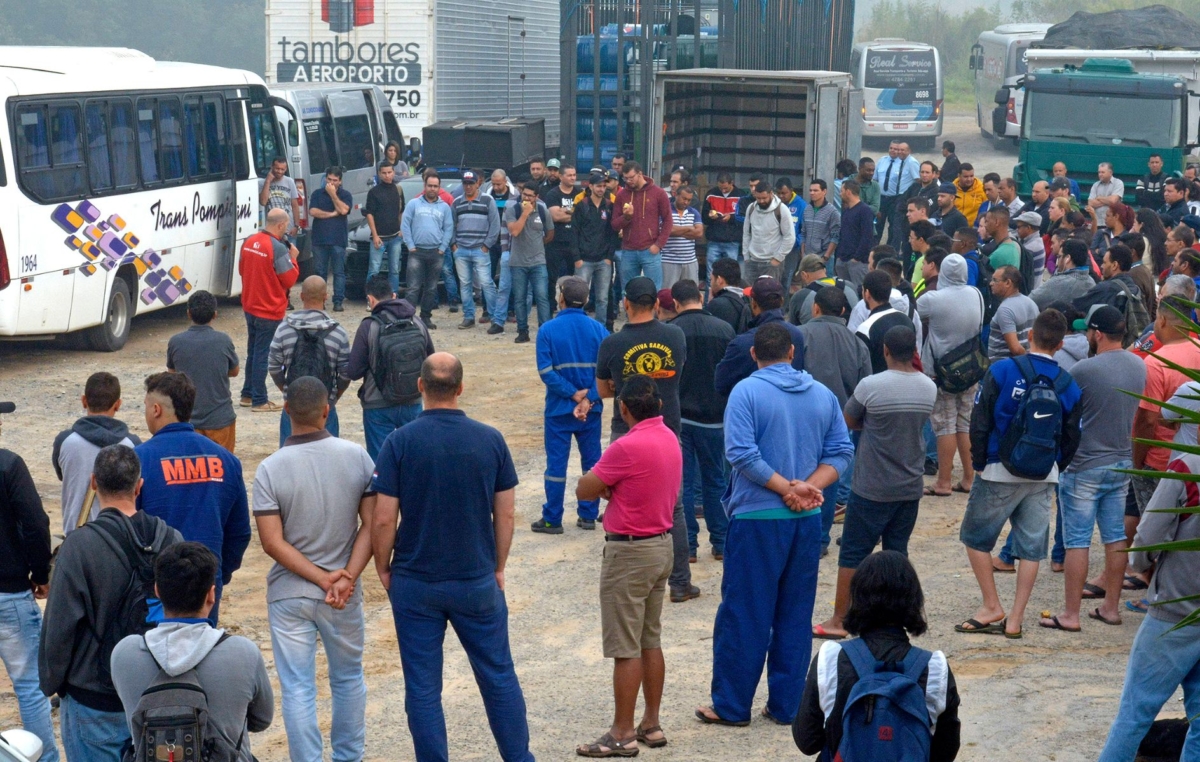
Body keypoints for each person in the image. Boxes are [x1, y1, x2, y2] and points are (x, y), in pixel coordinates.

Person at [370, 353, 534, 762]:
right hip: (475, 578)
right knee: (498, 677)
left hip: (416, 580)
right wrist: (498, 566)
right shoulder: (490, 439)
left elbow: (384, 518)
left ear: (420, 387)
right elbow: (507, 512)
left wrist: (383, 566)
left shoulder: (400, 442)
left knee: (423, 689)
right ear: (461, 388)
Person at [696, 323, 855, 727]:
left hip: (757, 519)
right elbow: (841, 451)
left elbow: (741, 454)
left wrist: (786, 488)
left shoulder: (745, 392)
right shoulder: (822, 394)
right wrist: (807, 488)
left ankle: (732, 706)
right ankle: (786, 706)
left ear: (754, 355)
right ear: (791, 353)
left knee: (745, 613)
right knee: (795, 613)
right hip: (805, 520)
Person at [253, 376, 375, 761]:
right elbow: (372, 525)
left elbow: (273, 542)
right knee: (348, 677)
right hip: (342, 592)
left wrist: (319, 577)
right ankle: (348, 757)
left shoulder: (270, 469)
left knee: (298, 687)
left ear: (286, 411)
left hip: (291, 593)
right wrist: (345, 577)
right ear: (328, 410)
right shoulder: (357, 457)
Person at [41, 445, 182, 762]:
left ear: (93, 483)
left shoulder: (78, 547)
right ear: (139, 486)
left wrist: (54, 683)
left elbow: (59, 628)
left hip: (94, 699)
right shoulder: (171, 540)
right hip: (158, 694)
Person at [574, 375, 682, 757]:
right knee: (650, 638)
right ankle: (650, 723)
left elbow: (584, 488)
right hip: (662, 545)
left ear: (623, 409)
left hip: (630, 552)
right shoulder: (669, 436)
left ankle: (622, 732)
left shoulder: (626, 445)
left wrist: (608, 487)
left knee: (626, 646)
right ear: (660, 406)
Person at [958, 309, 1081, 639]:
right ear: (1061, 344)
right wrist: (1055, 466)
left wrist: (979, 461)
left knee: (975, 537)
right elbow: (1072, 436)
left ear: (1030, 336)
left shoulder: (1002, 370)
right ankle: (1015, 619)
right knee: (1030, 548)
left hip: (999, 468)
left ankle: (990, 604)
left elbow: (980, 420)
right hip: (1044, 474)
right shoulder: (1068, 384)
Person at [813, 326, 935, 641]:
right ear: (915, 351)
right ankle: (896, 619)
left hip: (872, 486)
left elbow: (847, 421)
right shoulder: (927, 387)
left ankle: (841, 619)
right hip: (909, 485)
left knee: (853, 553)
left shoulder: (871, 386)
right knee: (897, 552)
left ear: (884, 351)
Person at [1032, 306, 1145, 634]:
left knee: (1077, 540)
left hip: (1085, 464)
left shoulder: (1085, 370)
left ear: (1097, 333)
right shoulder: (1139, 365)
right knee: (1115, 536)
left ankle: (1071, 614)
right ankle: (1110, 607)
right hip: (1121, 460)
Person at [111, 542, 274, 762]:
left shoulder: (125, 653)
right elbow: (262, 720)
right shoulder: (243, 652)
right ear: (211, 595)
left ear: (157, 591)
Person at [795, 550, 960, 761]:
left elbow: (807, 741)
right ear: (914, 600)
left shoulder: (831, 658)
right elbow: (945, 752)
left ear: (856, 599)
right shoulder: (935, 667)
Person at [597, 277, 697, 602]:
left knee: (621, 500)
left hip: (624, 427)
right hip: (667, 428)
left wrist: (624, 384)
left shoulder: (611, 343)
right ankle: (680, 583)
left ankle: (628, 574)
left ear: (625, 303)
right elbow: (679, 375)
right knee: (676, 507)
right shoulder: (675, 334)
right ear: (656, 304)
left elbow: (602, 391)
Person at [1096, 448, 1200, 762]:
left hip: (1173, 612)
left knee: (1134, 714)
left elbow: (1148, 538)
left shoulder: (1187, 466)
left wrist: (1142, 566)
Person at [135, 372, 250, 625]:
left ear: (156, 409)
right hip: (206, 586)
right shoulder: (227, 460)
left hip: (156, 593)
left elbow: (128, 530)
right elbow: (240, 532)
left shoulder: (139, 461)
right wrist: (218, 573)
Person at [0, 403, 59, 762]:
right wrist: (41, 573)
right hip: (8, 592)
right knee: (30, 688)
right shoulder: (8, 465)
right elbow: (36, 524)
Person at [532, 277, 609, 534]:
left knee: (556, 466)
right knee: (592, 463)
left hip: (558, 410)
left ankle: (553, 519)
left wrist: (572, 395)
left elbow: (546, 371)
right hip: (591, 411)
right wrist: (588, 399)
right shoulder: (600, 330)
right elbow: (607, 373)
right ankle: (588, 515)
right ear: (587, 300)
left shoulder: (547, 330)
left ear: (561, 298)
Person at [800, 285, 872, 552]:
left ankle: (805, 534)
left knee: (801, 473)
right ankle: (820, 538)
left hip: (803, 418)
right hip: (841, 419)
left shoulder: (800, 335)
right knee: (828, 476)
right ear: (843, 311)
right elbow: (865, 386)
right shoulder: (856, 342)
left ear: (815, 308)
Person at [669, 280, 735, 561]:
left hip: (681, 418)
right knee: (716, 480)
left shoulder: (671, 332)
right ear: (700, 297)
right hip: (715, 418)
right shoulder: (724, 329)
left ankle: (689, 546)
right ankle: (720, 543)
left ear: (674, 302)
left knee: (682, 485)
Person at [343, 273, 436, 461]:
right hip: (412, 400)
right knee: (414, 458)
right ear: (394, 295)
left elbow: (353, 372)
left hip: (377, 403)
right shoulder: (417, 322)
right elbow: (431, 361)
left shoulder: (369, 326)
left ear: (370, 299)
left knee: (381, 463)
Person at [917, 253, 983, 497]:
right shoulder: (976, 294)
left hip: (942, 372)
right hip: (970, 369)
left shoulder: (932, 299)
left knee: (945, 426)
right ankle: (968, 478)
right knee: (964, 424)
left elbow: (916, 313)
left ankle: (943, 482)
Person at [1132, 297, 1200, 516]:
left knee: (1154, 530)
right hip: (1194, 462)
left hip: (1160, 462)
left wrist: (1137, 463)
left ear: (1161, 320)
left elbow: (1147, 420)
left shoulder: (1154, 363)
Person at [52, 372, 141, 533]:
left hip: (77, 536)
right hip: (120, 536)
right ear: (118, 404)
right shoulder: (132, 445)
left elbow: (62, 475)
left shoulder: (65, 441)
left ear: (84, 401)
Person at [268, 275, 351, 445]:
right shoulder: (338, 332)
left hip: (293, 407)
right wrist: (332, 398)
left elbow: (274, 366)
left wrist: (286, 391)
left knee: (289, 462)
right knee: (328, 461)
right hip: (325, 407)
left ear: (301, 296)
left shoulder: (284, 329)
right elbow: (345, 373)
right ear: (326, 296)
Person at [238, 208, 299, 412]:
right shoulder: (278, 248)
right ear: (280, 225)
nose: (287, 229)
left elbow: (242, 269)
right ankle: (259, 399)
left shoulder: (248, 241)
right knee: (262, 354)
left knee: (253, 351)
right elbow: (290, 278)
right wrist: (294, 258)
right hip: (269, 308)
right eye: (287, 225)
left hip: (250, 305)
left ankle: (247, 394)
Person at [166, 292, 239, 451]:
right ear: (215, 314)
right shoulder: (224, 340)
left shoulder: (176, 341)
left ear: (188, 313)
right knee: (222, 468)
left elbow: (172, 374)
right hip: (220, 420)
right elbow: (234, 371)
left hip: (186, 420)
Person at [714, 276, 806, 395]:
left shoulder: (742, 343)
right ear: (782, 301)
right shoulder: (797, 335)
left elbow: (721, 383)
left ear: (753, 303)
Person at [401, 172, 455, 328]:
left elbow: (448, 228)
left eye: (435, 186)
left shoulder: (444, 207)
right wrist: (410, 245)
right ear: (424, 186)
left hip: (436, 253)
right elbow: (405, 225)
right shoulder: (413, 204)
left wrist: (443, 248)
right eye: (430, 185)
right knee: (412, 288)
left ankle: (425, 317)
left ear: (439, 188)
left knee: (431, 288)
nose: (432, 189)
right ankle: (408, 318)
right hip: (416, 252)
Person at [451, 170, 502, 330]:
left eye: (471, 183)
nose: (468, 186)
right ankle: (468, 317)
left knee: (487, 283)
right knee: (465, 284)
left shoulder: (488, 200)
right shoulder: (457, 202)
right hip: (461, 249)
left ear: (477, 183)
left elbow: (495, 224)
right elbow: (450, 224)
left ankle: (495, 317)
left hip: (481, 249)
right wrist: (453, 244)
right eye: (465, 183)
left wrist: (487, 245)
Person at [612, 162, 673, 289]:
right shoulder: (621, 195)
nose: (628, 181)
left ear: (640, 174)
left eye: (631, 177)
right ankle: (629, 309)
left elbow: (668, 220)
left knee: (654, 289)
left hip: (650, 249)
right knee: (628, 289)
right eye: (625, 178)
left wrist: (659, 245)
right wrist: (626, 217)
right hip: (628, 250)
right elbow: (614, 224)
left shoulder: (658, 193)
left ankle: (653, 310)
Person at [507, 183, 554, 344]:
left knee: (542, 297)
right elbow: (514, 231)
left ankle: (545, 332)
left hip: (538, 261)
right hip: (518, 262)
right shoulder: (513, 209)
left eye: (530, 195)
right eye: (524, 194)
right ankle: (522, 331)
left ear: (536, 197)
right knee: (519, 298)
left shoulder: (543, 210)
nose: (526, 198)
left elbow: (550, 233)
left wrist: (539, 245)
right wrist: (525, 214)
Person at [575, 170, 619, 327]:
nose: (601, 189)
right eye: (598, 186)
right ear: (591, 186)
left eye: (603, 186)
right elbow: (574, 233)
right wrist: (577, 258)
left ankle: (601, 328)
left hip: (603, 260)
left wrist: (609, 256)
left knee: (602, 299)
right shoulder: (582, 206)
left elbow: (613, 233)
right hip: (584, 259)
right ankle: (580, 328)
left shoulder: (609, 206)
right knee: (579, 297)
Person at [309, 166, 354, 311]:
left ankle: (338, 301)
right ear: (325, 178)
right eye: (329, 179)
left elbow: (343, 210)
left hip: (338, 240)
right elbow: (313, 211)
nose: (331, 182)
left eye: (335, 180)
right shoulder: (317, 194)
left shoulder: (346, 195)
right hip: (319, 240)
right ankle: (319, 301)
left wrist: (333, 195)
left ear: (340, 181)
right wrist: (331, 214)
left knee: (338, 272)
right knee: (319, 272)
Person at [856, 270, 914, 375]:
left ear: (867, 293)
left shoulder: (865, 329)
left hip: (877, 387)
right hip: (907, 383)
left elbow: (861, 368)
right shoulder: (906, 319)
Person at [364, 161, 406, 301]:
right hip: (379, 238)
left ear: (394, 172)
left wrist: (401, 230)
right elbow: (369, 214)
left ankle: (393, 297)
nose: (387, 175)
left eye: (389, 172)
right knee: (374, 270)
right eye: (384, 173)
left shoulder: (398, 189)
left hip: (395, 237)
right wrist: (375, 235)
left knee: (394, 270)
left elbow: (401, 211)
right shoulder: (374, 192)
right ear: (379, 174)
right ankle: (371, 298)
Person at [742, 182, 795, 283]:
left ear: (771, 194)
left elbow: (790, 237)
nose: (761, 201)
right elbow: (746, 233)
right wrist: (746, 256)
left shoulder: (782, 210)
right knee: (748, 294)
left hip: (772, 263)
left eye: (764, 198)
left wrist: (777, 259)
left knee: (769, 296)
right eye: (758, 198)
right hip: (752, 262)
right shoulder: (751, 208)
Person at [544, 165, 580, 312]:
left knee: (571, 279)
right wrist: (573, 214)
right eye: (569, 175)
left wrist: (565, 212)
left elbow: (582, 216)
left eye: (574, 175)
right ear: (561, 177)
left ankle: (568, 306)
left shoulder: (580, 193)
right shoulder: (553, 194)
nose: (573, 178)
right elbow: (555, 216)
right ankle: (550, 306)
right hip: (555, 242)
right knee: (551, 277)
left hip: (574, 243)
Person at [787, 255, 859, 325]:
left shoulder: (801, 296)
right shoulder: (849, 286)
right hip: (847, 335)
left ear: (804, 275)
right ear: (824, 270)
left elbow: (792, 329)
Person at [876, 140, 920, 247]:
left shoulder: (907, 162)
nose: (895, 151)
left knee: (894, 226)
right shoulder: (882, 160)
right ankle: (875, 247)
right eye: (892, 148)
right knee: (878, 224)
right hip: (881, 198)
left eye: (898, 149)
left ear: (909, 151)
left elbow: (917, 180)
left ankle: (890, 248)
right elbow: (875, 179)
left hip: (896, 198)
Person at [988, 266, 1038, 359]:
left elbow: (1015, 349)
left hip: (1004, 366)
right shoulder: (1031, 303)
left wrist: (1030, 362)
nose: (991, 283)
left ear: (1008, 283)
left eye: (995, 280)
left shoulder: (1005, 310)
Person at [1031, 238, 1095, 310]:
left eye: (1059, 257)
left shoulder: (1060, 282)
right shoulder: (1091, 282)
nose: (1057, 262)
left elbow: (1032, 300)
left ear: (1067, 258)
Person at [702, 173, 744, 277]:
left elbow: (745, 218)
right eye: (720, 188)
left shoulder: (741, 195)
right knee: (710, 275)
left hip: (732, 241)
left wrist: (731, 218)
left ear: (732, 183)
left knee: (730, 275)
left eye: (725, 188)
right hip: (714, 240)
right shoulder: (711, 194)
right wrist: (710, 216)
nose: (723, 191)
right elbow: (704, 218)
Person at [662, 185, 703, 289]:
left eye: (689, 200)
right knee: (667, 293)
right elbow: (667, 230)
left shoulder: (694, 212)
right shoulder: (666, 210)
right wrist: (689, 228)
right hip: (669, 260)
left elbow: (699, 233)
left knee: (691, 293)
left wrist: (677, 230)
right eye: (684, 199)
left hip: (690, 261)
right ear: (676, 195)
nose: (686, 202)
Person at [836, 179, 875, 288]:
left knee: (859, 292)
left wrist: (856, 258)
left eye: (841, 191)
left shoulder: (864, 210)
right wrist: (839, 255)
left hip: (857, 262)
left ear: (848, 192)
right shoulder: (846, 210)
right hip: (843, 259)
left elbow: (867, 236)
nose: (840, 194)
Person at [802, 179, 840, 272]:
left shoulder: (832, 212)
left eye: (815, 190)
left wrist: (826, 257)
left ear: (824, 191)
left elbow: (835, 237)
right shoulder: (807, 209)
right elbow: (803, 233)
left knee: (825, 284)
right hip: (808, 257)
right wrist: (803, 254)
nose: (812, 193)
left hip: (823, 258)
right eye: (810, 190)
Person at [259, 157, 301, 238]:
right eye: (277, 169)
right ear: (272, 167)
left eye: (283, 169)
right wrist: (268, 181)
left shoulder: (290, 182)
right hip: (271, 229)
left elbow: (295, 205)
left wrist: (296, 226)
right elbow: (263, 202)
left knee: (290, 250)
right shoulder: (262, 183)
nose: (280, 171)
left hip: (288, 228)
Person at [707, 258, 750, 334]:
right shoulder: (748, 299)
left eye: (711, 280)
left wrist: (710, 305)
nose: (711, 284)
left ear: (719, 280)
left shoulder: (716, 305)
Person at [1089, 162, 1126, 244]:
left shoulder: (1118, 183)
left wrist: (1099, 198)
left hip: (1112, 224)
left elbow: (1113, 201)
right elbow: (1090, 203)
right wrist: (1108, 200)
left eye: (1103, 172)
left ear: (1110, 172)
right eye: (1099, 172)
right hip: (1097, 223)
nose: (1100, 174)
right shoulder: (1095, 185)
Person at [1014, 211, 1046, 280]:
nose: (1017, 230)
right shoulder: (1037, 241)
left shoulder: (1031, 248)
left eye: (1019, 227)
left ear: (1028, 228)